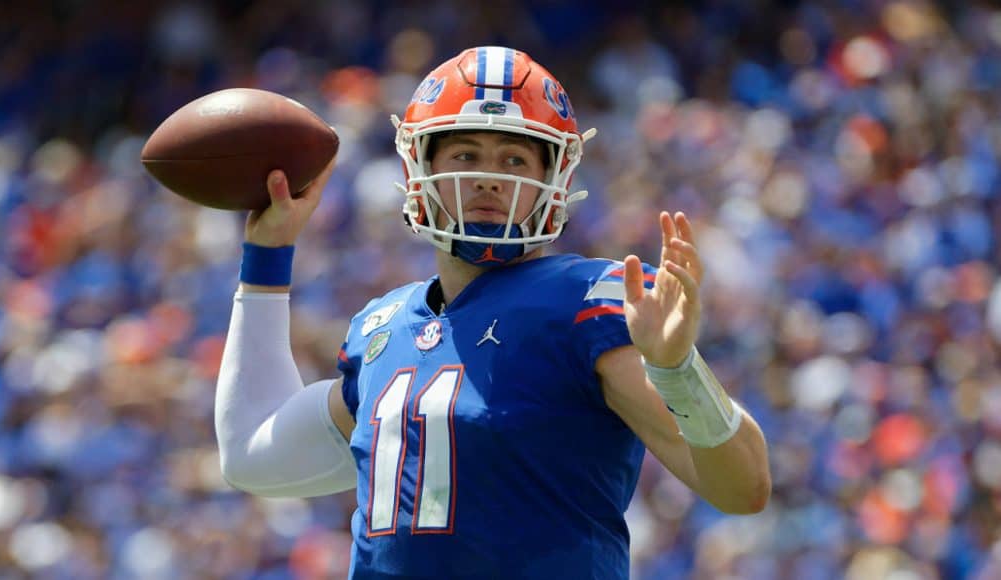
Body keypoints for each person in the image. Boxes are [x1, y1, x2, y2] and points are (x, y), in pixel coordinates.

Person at [215, 46, 771, 578]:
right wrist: (267, 254)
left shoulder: (585, 304)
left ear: (552, 178)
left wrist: (677, 373)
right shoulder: (382, 329)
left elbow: (743, 488)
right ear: (418, 168)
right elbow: (250, 456)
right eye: (465, 154)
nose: (487, 177)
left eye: (513, 158)